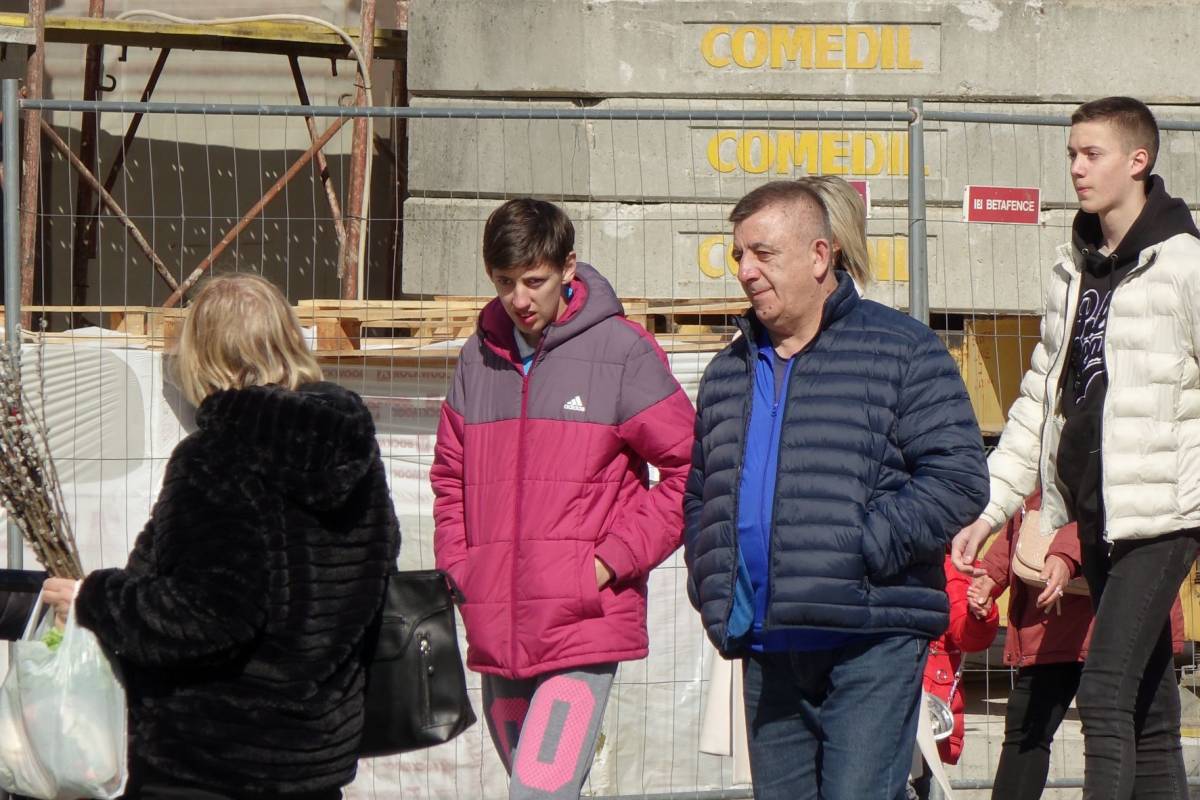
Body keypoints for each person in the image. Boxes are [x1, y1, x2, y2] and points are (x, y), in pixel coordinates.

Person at [683, 179, 989, 800]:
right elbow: (699, 495)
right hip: (768, 642)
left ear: (819, 256)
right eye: (739, 254)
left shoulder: (901, 351)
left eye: (763, 253)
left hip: (869, 635)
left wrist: (863, 546)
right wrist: (713, 575)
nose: (745, 270)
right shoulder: (727, 373)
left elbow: (958, 476)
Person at [42, 273, 400, 799]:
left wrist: (94, 600)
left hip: (210, 760)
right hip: (314, 760)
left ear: (206, 354)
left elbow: (208, 615)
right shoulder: (352, 450)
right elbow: (376, 575)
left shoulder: (217, 456)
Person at [951, 96, 1200, 799]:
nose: (1077, 168)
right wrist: (991, 510)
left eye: (1092, 154)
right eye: (1071, 154)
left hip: (1164, 516)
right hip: (1095, 518)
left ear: (1138, 161)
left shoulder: (1185, 264)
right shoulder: (1074, 270)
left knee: (1106, 689)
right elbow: (1038, 402)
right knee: (1151, 712)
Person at [430, 198, 695, 800]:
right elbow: (449, 476)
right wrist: (462, 569)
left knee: (539, 793)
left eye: (534, 281)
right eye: (504, 282)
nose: (519, 299)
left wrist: (607, 562)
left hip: (581, 625)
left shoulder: (622, 353)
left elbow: (691, 469)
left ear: (568, 267)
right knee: (537, 791)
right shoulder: (478, 357)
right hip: (497, 625)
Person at [968, 491, 1187, 800]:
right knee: (1031, 724)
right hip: (1057, 615)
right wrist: (993, 573)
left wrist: (1065, 554)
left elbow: (1100, 491)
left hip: (1120, 601)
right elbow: (1028, 512)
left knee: (1131, 729)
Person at [909, 553, 999, 800]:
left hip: (925, 714)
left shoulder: (951, 569)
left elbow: (966, 636)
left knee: (924, 782)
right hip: (881, 697)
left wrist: (979, 614)